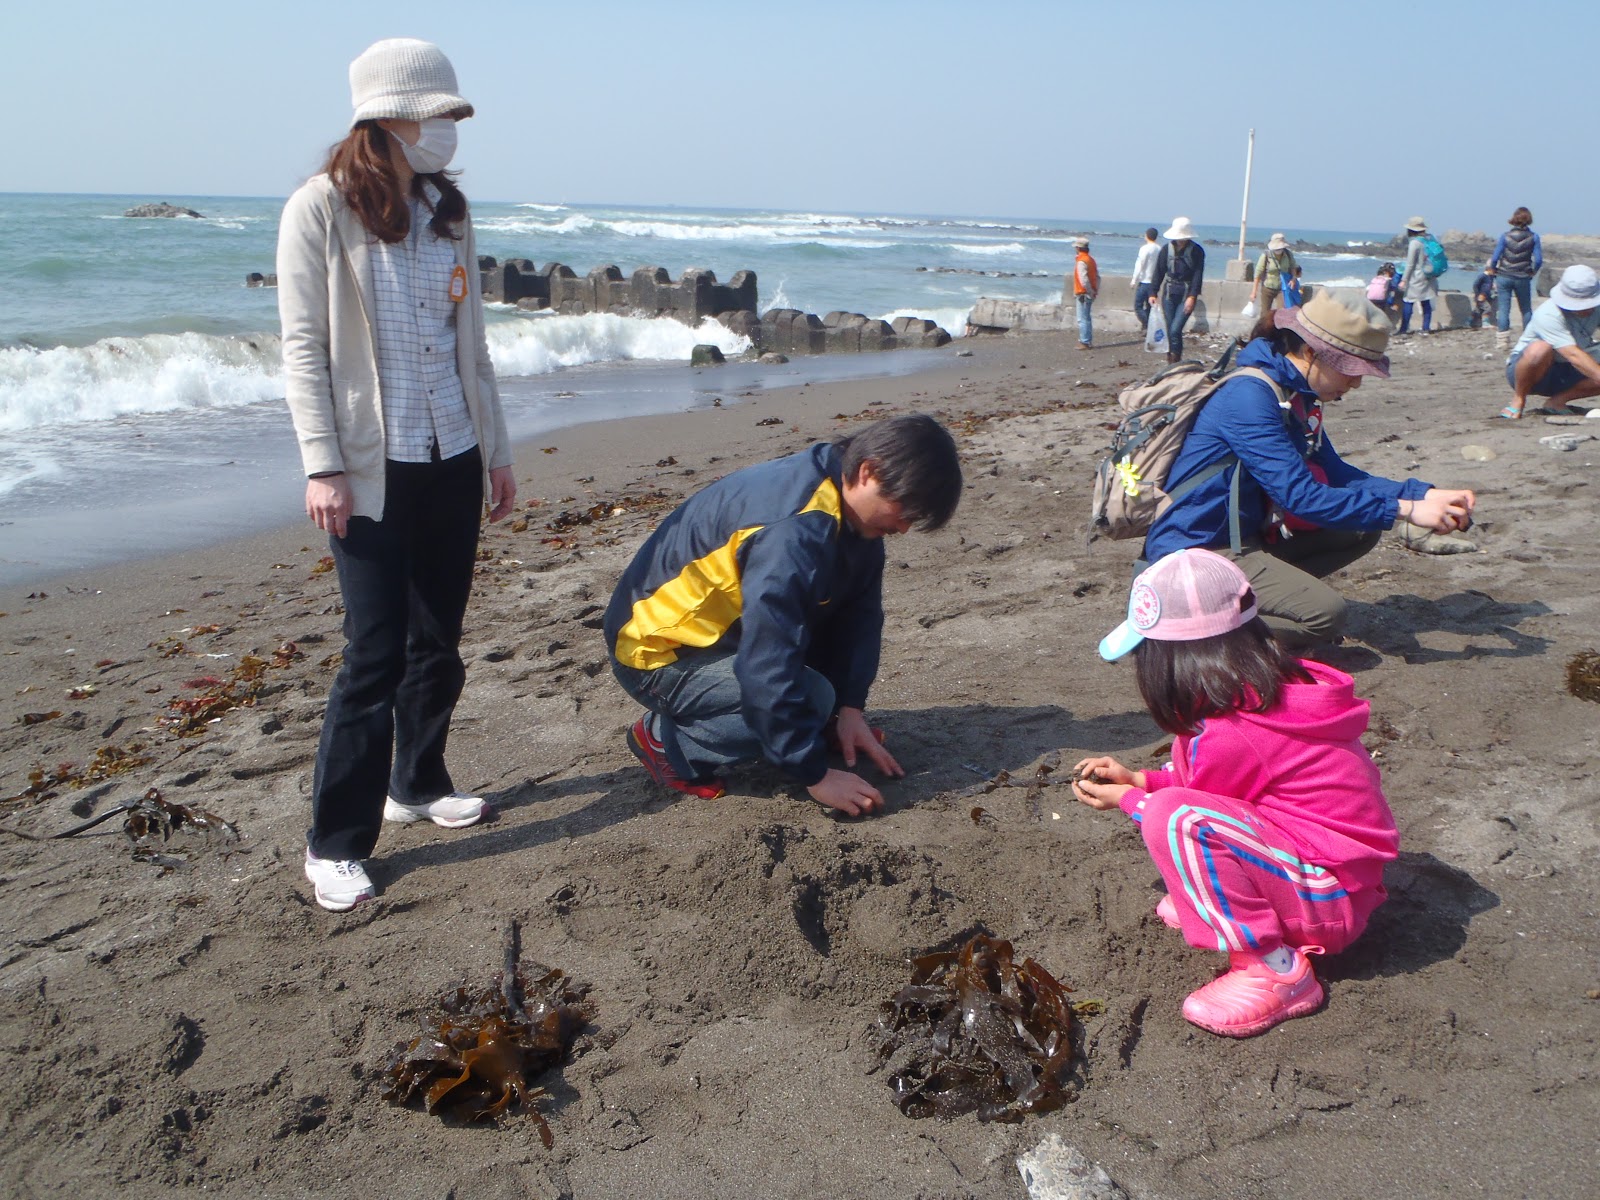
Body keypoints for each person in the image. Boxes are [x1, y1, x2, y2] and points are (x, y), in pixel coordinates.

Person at [277, 39, 516, 912]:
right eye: (436, 114)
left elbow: (472, 345)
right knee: (373, 653)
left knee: (437, 641)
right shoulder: (319, 208)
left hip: (452, 455)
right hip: (370, 470)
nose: (448, 129)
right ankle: (334, 844)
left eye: (454, 115)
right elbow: (303, 348)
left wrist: (497, 452)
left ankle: (417, 783)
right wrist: (323, 466)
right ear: (388, 117)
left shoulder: (449, 210)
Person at [1072, 549, 1399, 1038]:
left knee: (1175, 821)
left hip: (1328, 900)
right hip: (1337, 880)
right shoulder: (1264, 692)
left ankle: (1276, 970)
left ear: (1172, 661)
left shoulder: (1233, 733)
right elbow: (1213, 791)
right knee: (1179, 814)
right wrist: (1139, 779)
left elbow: (1189, 812)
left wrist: (1130, 800)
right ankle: (1239, 910)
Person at [605, 414, 962, 817]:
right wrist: (814, 774)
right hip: (655, 651)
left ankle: (819, 720)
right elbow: (766, 663)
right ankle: (668, 742)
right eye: (904, 510)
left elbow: (859, 615)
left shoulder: (847, 502)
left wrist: (850, 709)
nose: (904, 527)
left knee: (824, 679)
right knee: (810, 697)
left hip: (728, 629)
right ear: (869, 471)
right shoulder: (794, 528)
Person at [1142, 290, 1476, 648]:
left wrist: (1421, 494)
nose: (1356, 383)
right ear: (1310, 352)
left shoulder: (1295, 395)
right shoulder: (1250, 396)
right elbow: (1300, 497)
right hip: (1194, 552)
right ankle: (1191, 626)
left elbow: (1338, 475)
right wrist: (1405, 509)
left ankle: (1245, 606)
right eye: (1351, 370)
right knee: (1325, 615)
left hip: (1242, 541)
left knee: (1360, 528)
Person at [1500, 264, 1600, 419]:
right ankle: (1518, 399)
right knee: (1540, 349)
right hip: (1531, 371)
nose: (1588, 308)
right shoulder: (1548, 314)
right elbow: (1572, 354)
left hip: (1569, 371)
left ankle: (1557, 402)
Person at [1487, 206, 1544, 349]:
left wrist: (1492, 269)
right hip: (1522, 276)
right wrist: (1533, 272)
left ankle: (1502, 341)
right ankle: (1528, 339)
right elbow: (1538, 260)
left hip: (1504, 275)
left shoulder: (1505, 236)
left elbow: (1495, 257)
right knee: (1526, 309)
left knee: (1504, 309)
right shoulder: (1534, 237)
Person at [1152, 217, 1206, 363]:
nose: (1180, 241)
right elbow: (1159, 271)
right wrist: (1153, 292)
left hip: (1186, 293)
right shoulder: (1166, 250)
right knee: (1170, 329)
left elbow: (1198, 275)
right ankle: (1171, 359)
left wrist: (1192, 296)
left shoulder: (1197, 251)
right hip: (1169, 293)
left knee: (1176, 329)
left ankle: (1176, 359)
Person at [1398, 216, 1437, 335]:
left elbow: (1410, 264)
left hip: (1416, 277)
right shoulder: (1429, 240)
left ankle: (1403, 329)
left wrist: (1404, 280)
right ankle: (1425, 328)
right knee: (1425, 302)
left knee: (1408, 301)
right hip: (1429, 275)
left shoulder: (1414, 243)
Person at [1249, 233, 1298, 315]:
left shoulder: (1288, 255)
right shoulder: (1266, 256)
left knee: (1282, 312)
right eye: (1276, 248)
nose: (1278, 250)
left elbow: (1293, 267)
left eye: (1280, 248)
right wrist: (1254, 292)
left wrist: (1293, 279)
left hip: (1282, 288)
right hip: (1267, 288)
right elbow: (1258, 273)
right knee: (1265, 313)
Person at [1130, 226, 1161, 331]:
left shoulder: (1145, 248)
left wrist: (1134, 280)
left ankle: (1147, 324)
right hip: (1154, 282)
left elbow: (1140, 264)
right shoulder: (1159, 249)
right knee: (1149, 307)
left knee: (1138, 306)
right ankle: (1147, 327)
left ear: (1147, 236)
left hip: (1144, 281)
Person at [1072, 235, 1099, 349]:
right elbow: (1097, 277)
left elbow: (1083, 279)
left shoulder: (1081, 261)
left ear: (1078, 248)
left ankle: (1085, 341)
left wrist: (1089, 291)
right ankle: (1087, 340)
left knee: (1082, 318)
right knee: (1086, 317)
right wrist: (1095, 290)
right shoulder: (1091, 260)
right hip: (1089, 292)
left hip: (1083, 293)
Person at [1472, 264, 1497, 330]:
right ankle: (1485, 323)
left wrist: (1493, 287)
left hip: (1487, 296)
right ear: (1489, 269)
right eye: (1494, 270)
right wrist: (1478, 294)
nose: (1495, 272)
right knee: (1487, 308)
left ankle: (1471, 322)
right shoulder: (1482, 276)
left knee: (1478, 310)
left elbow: (1489, 285)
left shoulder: (1491, 277)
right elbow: (1475, 285)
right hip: (1481, 296)